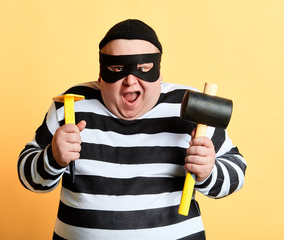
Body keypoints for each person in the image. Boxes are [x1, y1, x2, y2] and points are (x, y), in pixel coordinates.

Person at [17, 19, 246, 240]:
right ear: (100, 74)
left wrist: (208, 172)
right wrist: (52, 158)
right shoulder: (70, 105)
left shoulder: (187, 106)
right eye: (117, 68)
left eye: (143, 68)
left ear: (158, 72)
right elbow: (28, 176)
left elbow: (237, 169)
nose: (130, 81)